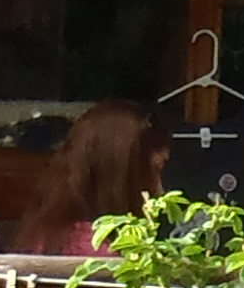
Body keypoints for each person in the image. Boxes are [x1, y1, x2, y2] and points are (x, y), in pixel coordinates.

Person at [18, 98, 165, 255]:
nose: (161, 190)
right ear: (121, 176)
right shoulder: (100, 253)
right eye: (155, 171)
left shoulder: (51, 228)